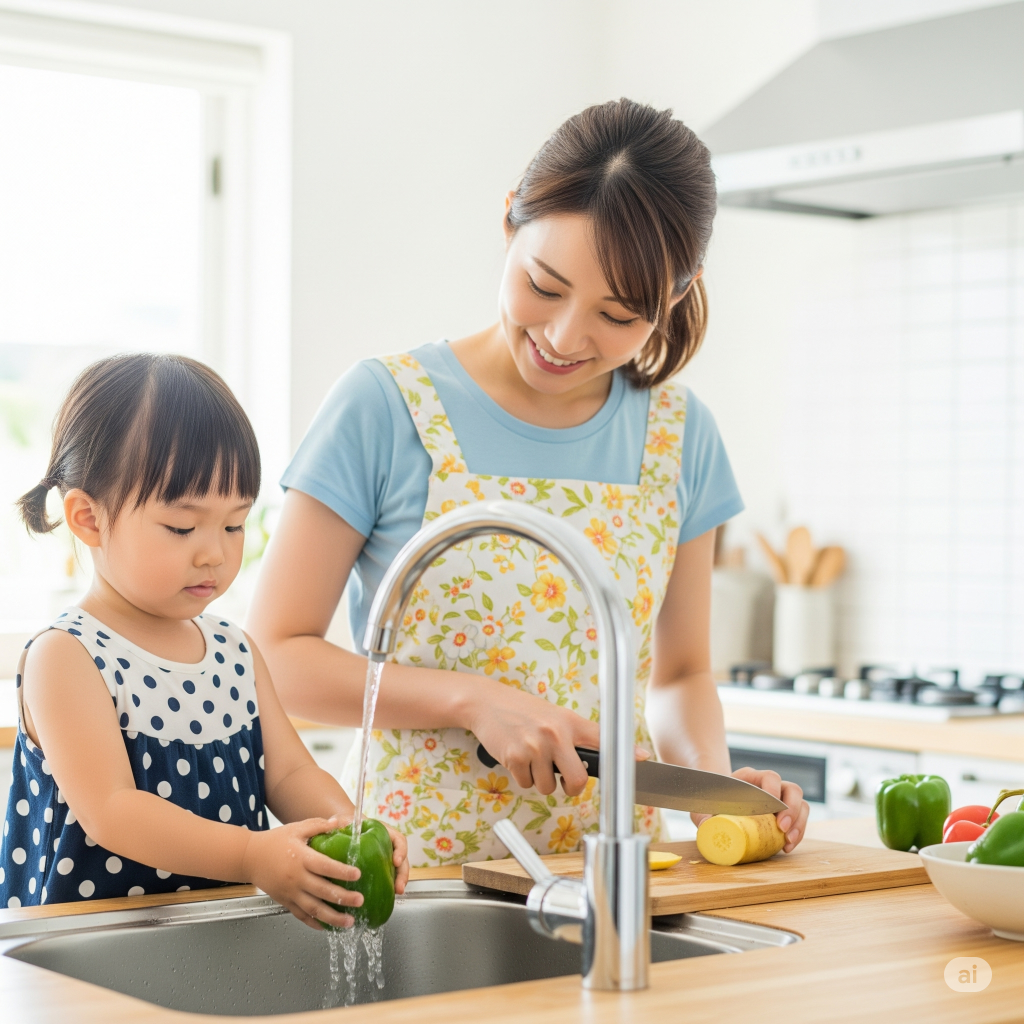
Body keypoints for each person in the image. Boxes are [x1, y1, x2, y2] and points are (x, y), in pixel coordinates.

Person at [248, 99, 810, 867]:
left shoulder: (681, 436)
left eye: (618, 314)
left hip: (615, 874)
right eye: (545, 286)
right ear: (510, 220)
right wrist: (471, 700)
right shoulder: (385, 406)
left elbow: (681, 675)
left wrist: (715, 788)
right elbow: (274, 657)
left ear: (678, 295)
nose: (564, 337)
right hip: (416, 875)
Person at [0, 354, 408, 921]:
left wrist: (350, 829)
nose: (215, 552)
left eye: (235, 524)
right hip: (92, 949)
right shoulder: (66, 656)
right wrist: (251, 854)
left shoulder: (235, 651)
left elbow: (289, 774)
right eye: (182, 527)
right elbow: (113, 811)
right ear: (88, 518)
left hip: (219, 940)